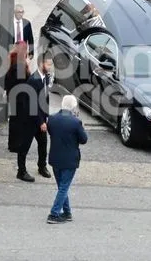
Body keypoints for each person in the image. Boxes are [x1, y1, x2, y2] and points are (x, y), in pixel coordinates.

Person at [46, 94, 88, 224]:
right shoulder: (75, 122)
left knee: (61, 187)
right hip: (70, 159)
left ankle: (67, 213)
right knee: (63, 188)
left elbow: (51, 132)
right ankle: (54, 214)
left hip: (55, 157)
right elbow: (84, 139)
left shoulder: (52, 119)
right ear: (73, 107)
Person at [15, 53, 53, 182]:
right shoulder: (33, 80)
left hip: (41, 118)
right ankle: (21, 171)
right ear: (42, 64)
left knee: (43, 144)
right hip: (30, 120)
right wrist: (41, 121)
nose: (50, 67)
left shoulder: (46, 78)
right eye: (48, 64)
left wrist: (46, 117)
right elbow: (32, 104)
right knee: (24, 146)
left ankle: (42, 167)